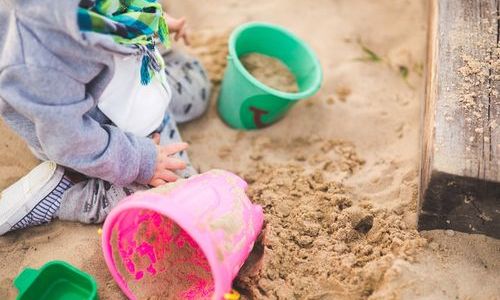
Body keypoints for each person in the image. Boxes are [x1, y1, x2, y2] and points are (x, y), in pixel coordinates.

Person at [0, 0, 211, 235]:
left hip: (133, 86)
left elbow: (119, 8)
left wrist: (152, 23)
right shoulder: (37, 58)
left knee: (198, 88)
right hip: (99, 138)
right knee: (177, 191)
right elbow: (70, 141)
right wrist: (141, 161)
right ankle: (64, 195)